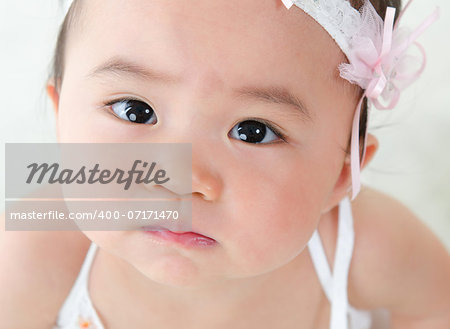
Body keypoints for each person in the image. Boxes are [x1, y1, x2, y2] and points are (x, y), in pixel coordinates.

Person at [1, 0, 449, 328]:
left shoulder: (363, 248)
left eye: (254, 130)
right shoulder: (32, 253)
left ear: (343, 172)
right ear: (61, 118)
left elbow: (436, 308)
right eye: (134, 110)